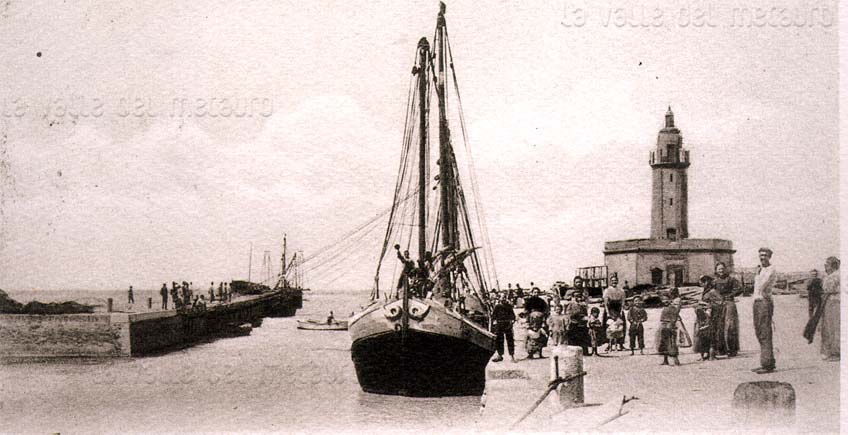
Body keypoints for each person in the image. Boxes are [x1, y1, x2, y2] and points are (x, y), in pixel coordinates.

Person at [752, 248, 776, 374]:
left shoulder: (771, 270)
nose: (762, 257)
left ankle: (767, 364)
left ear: (769, 257)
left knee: (765, 332)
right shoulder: (761, 270)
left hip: (764, 302)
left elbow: (762, 285)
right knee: (759, 332)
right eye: (761, 255)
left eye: (765, 255)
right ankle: (766, 361)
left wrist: (757, 275)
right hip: (757, 302)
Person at [713, 262, 741, 357]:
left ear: (725, 269)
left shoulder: (731, 279)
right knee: (719, 326)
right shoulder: (714, 281)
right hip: (718, 304)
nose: (721, 270)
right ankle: (721, 349)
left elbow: (739, 289)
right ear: (716, 270)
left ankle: (732, 349)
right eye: (719, 269)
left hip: (729, 303)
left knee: (730, 326)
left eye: (722, 268)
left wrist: (730, 295)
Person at [819, 257, 840, 361]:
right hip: (830, 302)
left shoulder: (835, 276)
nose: (825, 266)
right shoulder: (832, 275)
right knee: (829, 327)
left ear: (833, 265)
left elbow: (828, 288)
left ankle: (835, 352)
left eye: (827, 264)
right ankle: (831, 351)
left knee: (833, 327)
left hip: (834, 302)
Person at [657, 288, 682, 366]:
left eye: (666, 299)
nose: (664, 301)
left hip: (670, 326)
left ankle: (676, 360)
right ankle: (665, 360)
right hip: (663, 326)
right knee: (663, 342)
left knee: (671, 343)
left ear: (670, 299)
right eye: (663, 300)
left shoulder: (672, 307)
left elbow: (674, 317)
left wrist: (671, 324)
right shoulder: (665, 308)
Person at [603, 274, 627, 346]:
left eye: (615, 280)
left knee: (621, 325)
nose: (614, 282)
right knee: (608, 326)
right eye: (612, 280)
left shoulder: (621, 290)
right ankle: (609, 344)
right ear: (610, 281)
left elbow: (623, 302)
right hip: (610, 309)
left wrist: (621, 311)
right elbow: (606, 303)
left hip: (618, 309)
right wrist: (607, 312)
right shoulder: (607, 290)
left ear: (617, 281)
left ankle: (621, 344)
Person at [491, 296, 516, 362]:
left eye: (504, 298)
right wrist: (495, 323)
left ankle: (512, 356)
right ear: (499, 299)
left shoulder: (509, 306)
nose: (503, 299)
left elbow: (513, 316)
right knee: (499, 340)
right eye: (502, 298)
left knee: (510, 340)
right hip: (499, 325)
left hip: (508, 325)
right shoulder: (497, 306)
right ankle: (500, 355)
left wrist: (512, 321)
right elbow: (493, 316)